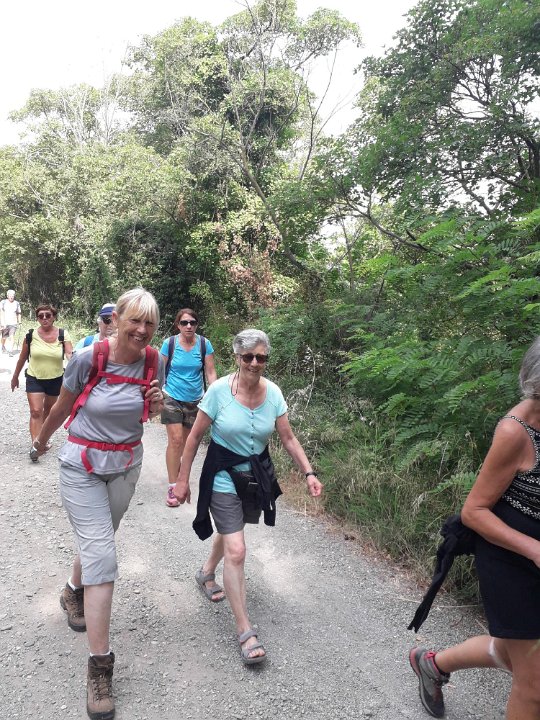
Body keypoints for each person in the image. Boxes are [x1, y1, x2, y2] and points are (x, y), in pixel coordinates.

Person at [30, 288, 164, 720]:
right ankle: (100, 667)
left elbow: (148, 412)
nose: (141, 330)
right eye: (134, 320)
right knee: (103, 555)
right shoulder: (89, 358)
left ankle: (73, 591)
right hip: (81, 465)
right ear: (116, 319)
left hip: (126, 465)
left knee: (99, 540)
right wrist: (41, 441)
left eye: (149, 323)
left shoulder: (154, 360)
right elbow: (62, 407)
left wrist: (157, 406)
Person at [409, 337, 540, 720]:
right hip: (510, 560)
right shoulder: (516, 432)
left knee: (514, 655)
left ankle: (433, 664)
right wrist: (534, 549)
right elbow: (474, 511)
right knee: (534, 684)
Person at [174, 329, 323, 665]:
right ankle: (245, 630)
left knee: (233, 531)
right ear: (237, 358)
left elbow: (288, 438)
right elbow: (194, 437)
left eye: (261, 357)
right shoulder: (218, 392)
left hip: (255, 476)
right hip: (223, 474)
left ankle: (206, 572)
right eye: (248, 357)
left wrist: (309, 473)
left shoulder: (274, 394)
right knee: (238, 550)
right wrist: (182, 480)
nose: (255, 363)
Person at [160, 308, 217, 507]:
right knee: (175, 440)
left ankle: (180, 479)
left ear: (197, 325)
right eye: (184, 323)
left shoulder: (204, 344)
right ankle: (173, 486)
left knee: (184, 444)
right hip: (171, 396)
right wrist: (155, 395)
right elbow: (160, 370)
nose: (189, 326)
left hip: (195, 400)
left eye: (192, 322)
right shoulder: (169, 344)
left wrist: (215, 395)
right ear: (178, 325)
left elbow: (211, 372)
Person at [11, 303, 73, 455]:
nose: (44, 318)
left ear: (54, 317)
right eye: (40, 316)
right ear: (37, 318)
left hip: (56, 378)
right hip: (34, 378)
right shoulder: (30, 335)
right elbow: (22, 358)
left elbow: (70, 354)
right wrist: (15, 376)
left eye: (48, 315)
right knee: (36, 411)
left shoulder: (63, 334)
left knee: (48, 411)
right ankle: (36, 445)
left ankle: (42, 438)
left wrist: (76, 367)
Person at [1, 289, 22, 355]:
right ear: (7, 296)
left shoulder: (17, 303)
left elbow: (19, 313)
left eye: (13, 295)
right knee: (4, 337)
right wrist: (2, 322)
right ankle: (3, 346)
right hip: (5, 323)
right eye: (10, 295)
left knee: (12, 336)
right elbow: (1, 313)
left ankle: (10, 351)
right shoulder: (3, 302)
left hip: (13, 323)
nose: (11, 297)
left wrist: (20, 322)